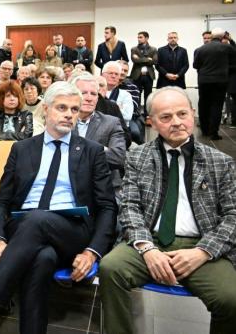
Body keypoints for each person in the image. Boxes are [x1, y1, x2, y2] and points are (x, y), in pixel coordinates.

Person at [0, 81, 117, 334]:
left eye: (74, 110)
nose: (69, 114)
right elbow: (3, 200)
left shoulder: (92, 152)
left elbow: (108, 206)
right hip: (24, 230)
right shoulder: (21, 149)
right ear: (45, 109)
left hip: (71, 231)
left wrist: (92, 251)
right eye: (62, 107)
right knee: (42, 258)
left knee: (38, 220)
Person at [98, 87, 236, 334]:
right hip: (150, 240)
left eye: (182, 114)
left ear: (193, 114)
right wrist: (147, 248)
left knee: (231, 298)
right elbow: (129, 206)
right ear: (151, 121)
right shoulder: (137, 156)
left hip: (201, 244)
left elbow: (233, 215)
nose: (176, 122)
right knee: (111, 268)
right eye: (165, 117)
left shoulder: (220, 162)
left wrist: (203, 251)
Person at [70, 73, 127, 193]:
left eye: (94, 94)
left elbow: (118, 158)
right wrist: (102, 150)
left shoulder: (111, 123)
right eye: (83, 93)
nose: (89, 98)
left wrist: (78, 148)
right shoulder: (63, 121)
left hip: (103, 188)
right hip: (69, 186)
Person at [193, 27, 233, 140]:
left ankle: (205, 130)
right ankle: (213, 132)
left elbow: (195, 65)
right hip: (220, 80)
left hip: (204, 80)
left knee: (203, 104)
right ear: (222, 37)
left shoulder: (200, 49)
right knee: (217, 105)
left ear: (212, 36)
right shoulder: (227, 48)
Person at [129, 31, 158, 110]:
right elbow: (135, 61)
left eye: (141, 37)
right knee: (136, 94)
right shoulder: (134, 49)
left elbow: (155, 61)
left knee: (148, 96)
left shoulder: (153, 49)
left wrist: (139, 58)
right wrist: (148, 59)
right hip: (137, 75)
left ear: (146, 38)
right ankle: (136, 113)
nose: (139, 39)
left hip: (149, 75)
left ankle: (147, 114)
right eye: (138, 37)